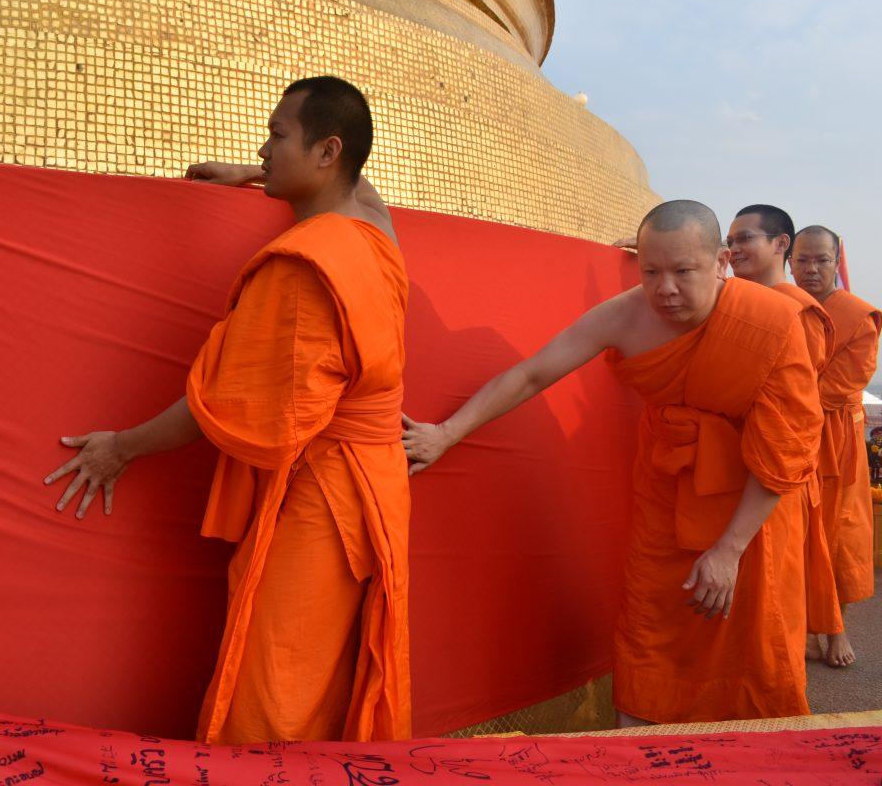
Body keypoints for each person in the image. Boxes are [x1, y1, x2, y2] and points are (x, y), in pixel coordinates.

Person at [45, 77, 411, 743]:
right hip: (374, 489)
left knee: (278, 681)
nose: (264, 148)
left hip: (323, 499)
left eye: (277, 136)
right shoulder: (374, 233)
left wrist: (120, 448)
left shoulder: (305, 271)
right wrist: (259, 175)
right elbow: (362, 185)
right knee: (331, 665)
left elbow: (228, 405)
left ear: (327, 152)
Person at [405, 200, 821, 726]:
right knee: (651, 619)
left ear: (721, 262)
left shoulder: (773, 323)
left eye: (683, 271)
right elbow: (533, 374)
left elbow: (788, 449)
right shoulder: (626, 315)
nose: (665, 288)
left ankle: (758, 747)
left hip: (752, 507)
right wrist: (446, 433)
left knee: (752, 628)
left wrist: (729, 549)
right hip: (667, 492)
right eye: (651, 271)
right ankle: (640, 749)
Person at [724, 205, 842, 658]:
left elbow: (795, 404)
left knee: (771, 591)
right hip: (727, 466)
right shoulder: (732, 298)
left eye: (745, 239)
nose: (734, 250)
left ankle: (773, 691)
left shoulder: (799, 312)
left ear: (780, 245)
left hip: (773, 467)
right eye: (729, 241)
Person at [793, 224, 881, 668]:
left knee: (838, 536)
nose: (811, 269)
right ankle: (801, 625)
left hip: (835, 439)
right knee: (797, 534)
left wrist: (779, 390)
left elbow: (840, 385)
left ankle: (836, 628)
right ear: (788, 259)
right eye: (802, 259)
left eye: (821, 260)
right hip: (789, 431)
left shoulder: (858, 316)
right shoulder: (781, 304)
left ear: (835, 262)